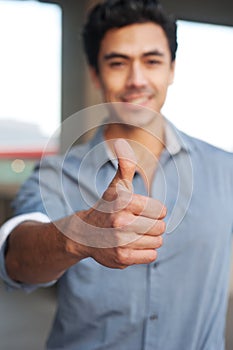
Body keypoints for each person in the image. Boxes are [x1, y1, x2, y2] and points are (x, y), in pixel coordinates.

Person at [0, 0, 233, 349]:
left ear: (171, 70)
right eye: (118, 63)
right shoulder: (56, 174)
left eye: (152, 61)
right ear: (95, 74)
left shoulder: (225, 169)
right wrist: (79, 236)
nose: (136, 80)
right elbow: (16, 261)